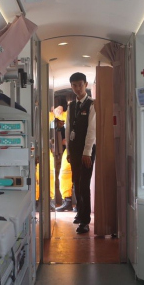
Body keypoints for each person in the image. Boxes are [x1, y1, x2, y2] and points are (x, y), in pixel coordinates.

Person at [65, 73, 96, 234]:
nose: (77, 88)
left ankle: (85, 221)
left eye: (80, 85)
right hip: (75, 150)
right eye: (74, 85)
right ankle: (79, 212)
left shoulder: (92, 104)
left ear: (86, 85)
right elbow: (68, 129)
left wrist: (87, 152)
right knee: (76, 182)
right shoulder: (71, 106)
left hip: (86, 151)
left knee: (84, 184)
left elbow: (92, 130)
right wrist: (69, 151)